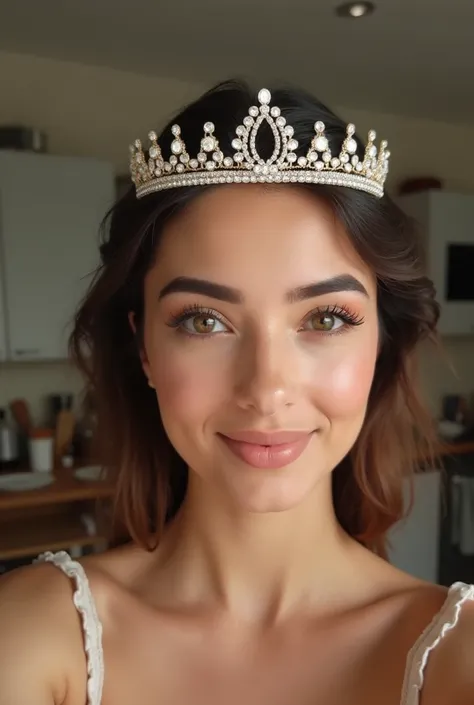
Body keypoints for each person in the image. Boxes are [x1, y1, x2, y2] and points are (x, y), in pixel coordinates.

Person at [0, 81, 472, 705]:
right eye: (204, 320)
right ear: (145, 348)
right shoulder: (35, 632)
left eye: (326, 318)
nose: (266, 389)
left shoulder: (453, 653)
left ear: (380, 344)